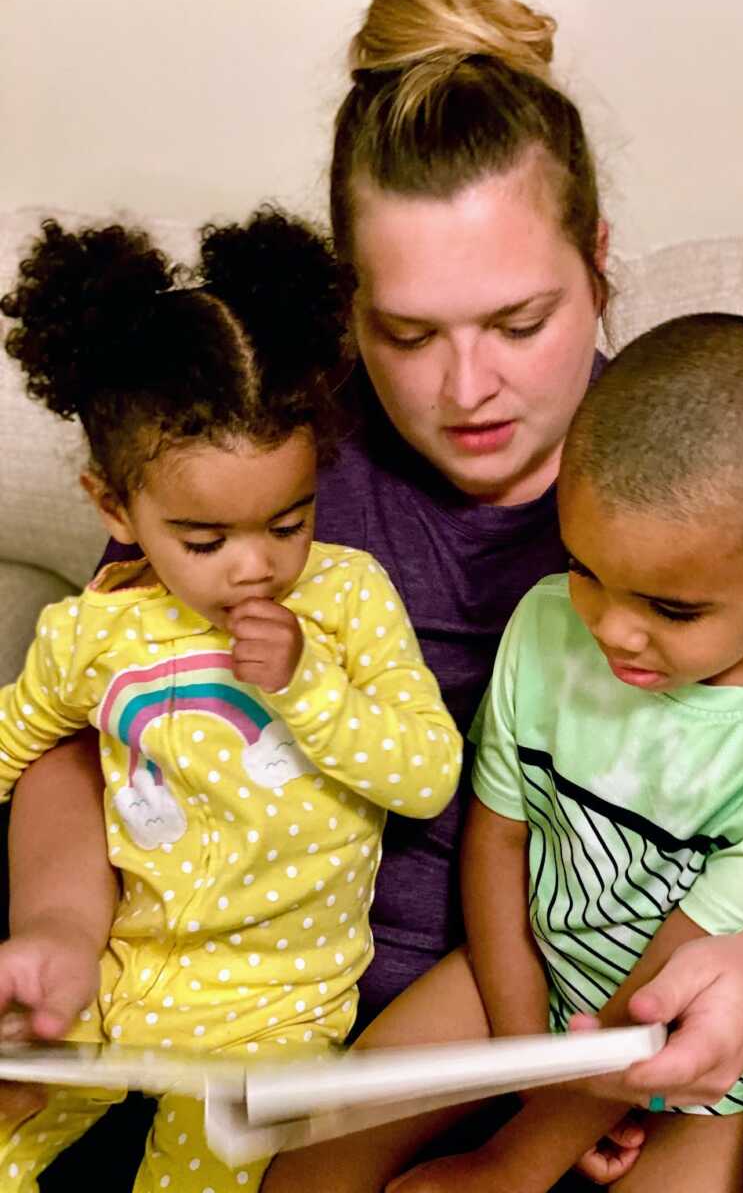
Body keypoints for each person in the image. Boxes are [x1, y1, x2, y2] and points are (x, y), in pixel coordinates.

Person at [5, 0, 743, 1187]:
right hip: (226, 1012)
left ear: (598, 262)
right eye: (409, 332)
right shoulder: (275, 461)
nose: (468, 387)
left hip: (590, 1004)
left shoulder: (718, 498)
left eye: (519, 321)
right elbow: (88, 713)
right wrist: (60, 922)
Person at [377, 314, 743, 1193]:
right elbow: (499, 839)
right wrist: (524, 1051)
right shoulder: (550, 621)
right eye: (586, 567)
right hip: (528, 966)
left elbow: (675, 976)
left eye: (672, 608)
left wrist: (514, 1158)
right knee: (315, 1155)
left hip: (697, 1056)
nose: (611, 628)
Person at [0, 208, 461, 1193]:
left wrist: (309, 689)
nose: (254, 566)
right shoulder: (94, 630)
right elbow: (15, 741)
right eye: (204, 539)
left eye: (286, 522)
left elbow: (428, 776)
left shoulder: (345, 600)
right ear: (115, 507)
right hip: (115, 978)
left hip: (276, 1012)